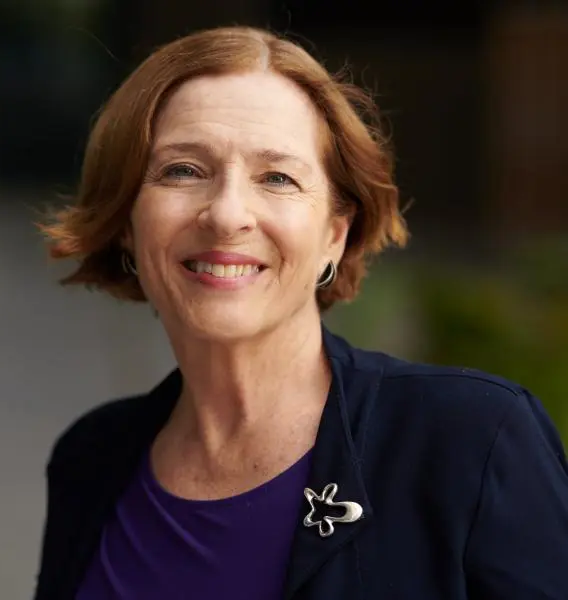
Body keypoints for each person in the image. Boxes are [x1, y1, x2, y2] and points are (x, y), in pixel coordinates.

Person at [33, 25, 568, 600]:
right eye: (182, 170)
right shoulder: (91, 460)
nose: (227, 215)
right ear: (126, 224)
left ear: (335, 236)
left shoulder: (471, 440)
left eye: (277, 178)